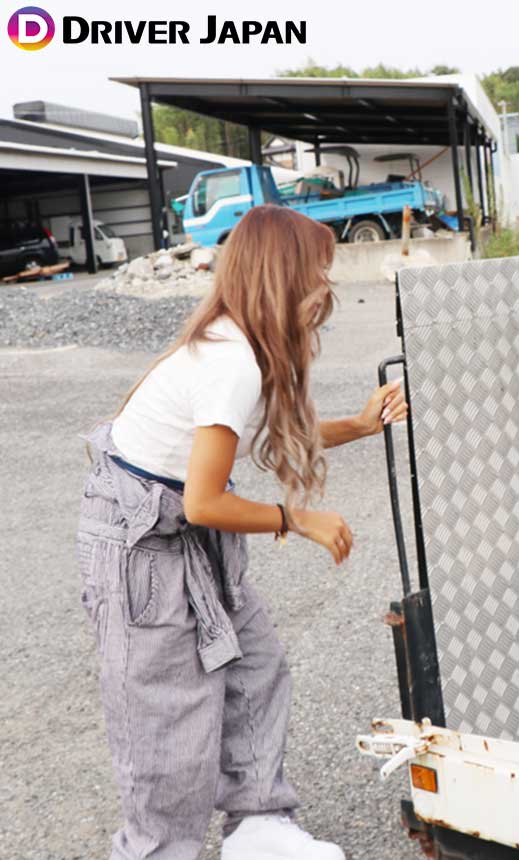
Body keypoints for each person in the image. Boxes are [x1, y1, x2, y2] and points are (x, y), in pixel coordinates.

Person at [74, 204, 407, 860]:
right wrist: (295, 518)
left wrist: (361, 426)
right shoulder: (232, 360)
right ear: (283, 278)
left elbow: (257, 442)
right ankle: (156, 851)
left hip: (180, 529)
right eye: (318, 276)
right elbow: (203, 500)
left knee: (254, 667)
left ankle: (259, 827)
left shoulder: (242, 345)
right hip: (145, 544)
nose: (325, 294)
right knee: (167, 721)